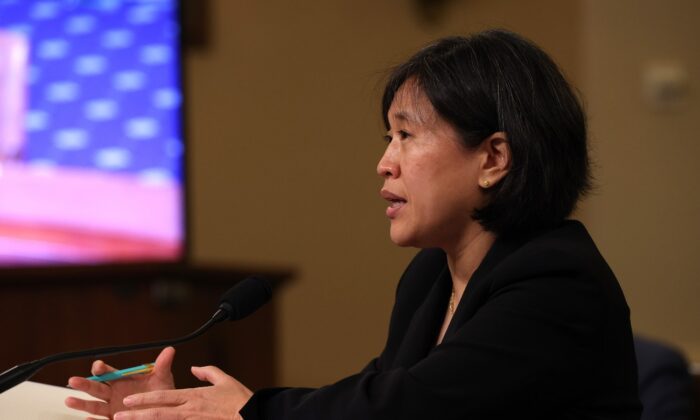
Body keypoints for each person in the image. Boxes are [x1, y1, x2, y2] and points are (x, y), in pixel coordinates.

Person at [65, 29, 642, 419]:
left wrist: (249, 411)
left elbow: (405, 407)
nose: (384, 161)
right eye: (387, 137)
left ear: (494, 158)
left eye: (407, 135)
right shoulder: (429, 279)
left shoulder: (558, 283)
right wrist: (180, 409)